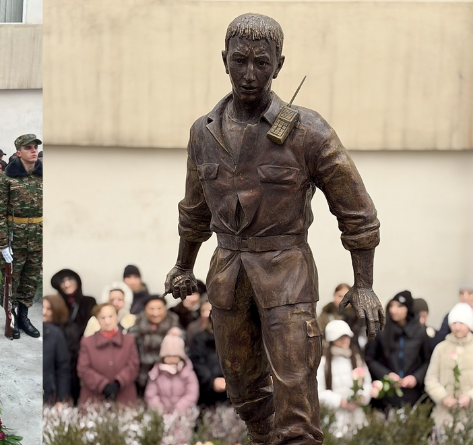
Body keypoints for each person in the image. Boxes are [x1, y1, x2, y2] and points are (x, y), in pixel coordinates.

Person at [163, 13, 383, 444]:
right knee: (245, 394)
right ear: (223, 60)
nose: (249, 74)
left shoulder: (308, 130)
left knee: (296, 395)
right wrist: (184, 265)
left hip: (287, 274)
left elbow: (356, 209)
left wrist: (364, 284)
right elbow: (194, 209)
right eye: (239, 60)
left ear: (279, 65)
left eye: (261, 63)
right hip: (228, 274)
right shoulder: (203, 133)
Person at [0, 134, 44, 339]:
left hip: (37, 237)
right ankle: (11, 317)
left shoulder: (43, 176)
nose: (33, 151)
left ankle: (24, 317)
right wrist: (3, 244)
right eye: (28, 147)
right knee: (11, 280)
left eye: (35, 147)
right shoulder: (7, 179)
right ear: (19, 152)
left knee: (30, 279)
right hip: (15, 238)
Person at [365, 291, 432, 411]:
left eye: (399, 306)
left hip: (412, 394)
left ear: (408, 309)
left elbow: (427, 360)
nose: (394, 310)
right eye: (392, 305)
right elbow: (370, 358)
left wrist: (416, 378)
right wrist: (387, 375)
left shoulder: (420, 332)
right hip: (386, 394)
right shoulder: (381, 330)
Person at [317, 320, 372, 438]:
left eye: (346, 336)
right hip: (335, 420)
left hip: (358, 418)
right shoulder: (324, 362)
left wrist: (363, 396)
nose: (344, 340)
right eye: (339, 337)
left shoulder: (356, 357)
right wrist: (340, 401)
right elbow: (318, 392)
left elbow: (367, 382)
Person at [77, 303, 140, 405]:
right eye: (102, 318)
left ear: (117, 317)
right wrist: (102, 385)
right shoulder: (87, 342)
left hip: (124, 397)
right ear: (97, 320)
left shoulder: (129, 340)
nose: (107, 321)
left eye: (111, 316)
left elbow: (133, 365)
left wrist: (119, 382)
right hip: (94, 399)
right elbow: (83, 369)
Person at [50, 269, 97, 404]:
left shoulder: (89, 302)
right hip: (62, 353)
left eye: (70, 279)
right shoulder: (57, 304)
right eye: (62, 282)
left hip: (83, 351)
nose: (67, 284)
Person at [424, 302, 473, 428]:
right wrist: (443, 397)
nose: (457, 327)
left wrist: (470, 397)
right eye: (454, 323)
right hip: (444, 415)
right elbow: (431, 379)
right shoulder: (441, 348)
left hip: (469, 415)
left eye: (462, 323)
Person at [129, 296, 180, 396]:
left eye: (159, 308)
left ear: (165, 309)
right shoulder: (136, 327)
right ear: (145, 310)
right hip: (141, 376)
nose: (155, 313)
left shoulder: (174, 325)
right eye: (151, 309)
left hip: (169, 377)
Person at [188, 295, 230, 407]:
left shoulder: (234, 336)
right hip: (208, 391)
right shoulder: (200, 337)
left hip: (233, 388)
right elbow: (197, 362)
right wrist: (211, 381)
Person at [145, 334, 199, 414]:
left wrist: (178, 410)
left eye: (175, 356)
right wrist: (160, 411)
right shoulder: (156, 373)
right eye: (168, 356)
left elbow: (192, 393)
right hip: (161, 415)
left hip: (183, 415)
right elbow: (151, 394)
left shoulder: (188, 373)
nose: (171, 359)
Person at [43, 294, 71, 405]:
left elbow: (63, 368)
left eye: (49, 309)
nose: (44, 312)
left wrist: (61, 398)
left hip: (49, 393)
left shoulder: (57, 334)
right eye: (43, 308)